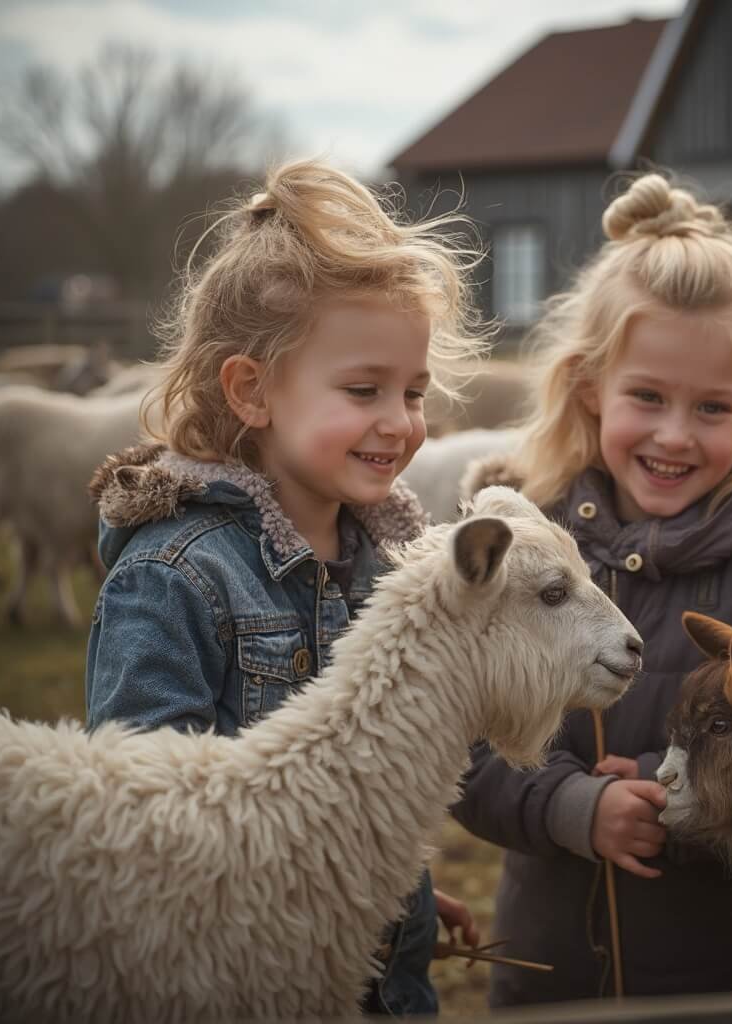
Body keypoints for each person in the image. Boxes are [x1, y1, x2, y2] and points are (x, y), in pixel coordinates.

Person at [453, 172, 732, 1006]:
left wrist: (668, 787)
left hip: (717, 983)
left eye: (712, 409)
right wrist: (573, 807)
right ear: (589, 389)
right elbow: (460, 749)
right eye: (646, 396)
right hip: (549, 978)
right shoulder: (530, 554)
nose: (675, 435)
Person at [85, 159, 484, 1014]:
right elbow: (142, 824)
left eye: (413, 391)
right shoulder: (173, 578)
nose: (401, 422)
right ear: (252, 390)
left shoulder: (386, 565)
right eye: (363, 389)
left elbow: (370, 778)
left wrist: (390, 893)